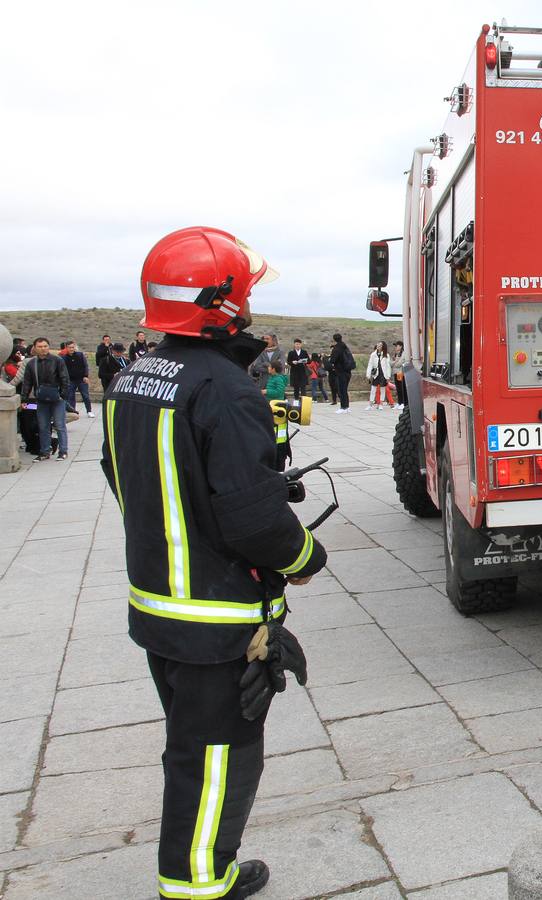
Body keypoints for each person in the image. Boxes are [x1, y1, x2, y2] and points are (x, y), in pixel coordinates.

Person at [104, 226, 326, 900]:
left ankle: (196, 868)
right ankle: (198, 881)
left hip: (158, 605)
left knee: (188, 746)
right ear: (223, 304)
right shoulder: (226, 391)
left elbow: (125, 474)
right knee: (219, 755)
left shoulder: (131, 378)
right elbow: (256, 520)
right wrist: (305, 555)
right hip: (215, 615)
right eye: (246, 291)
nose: (252, 302)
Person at [20, 337, 71, 460]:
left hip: (57, 398)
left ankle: (63, 451)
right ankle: (44, 451)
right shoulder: (31, 363)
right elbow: (27, 382)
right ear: (35, 348)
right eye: (40, 346)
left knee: (60, 425)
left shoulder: (57, 361)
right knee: (43, 426)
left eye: (45, 346)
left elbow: (65, 379)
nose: (43, 349)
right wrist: (24, 400)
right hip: (41, 399)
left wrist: (62, 395)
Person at [63, 340, 94, 417]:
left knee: (85, 396)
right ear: (66, 348)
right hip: (70, 380)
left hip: (81, 379)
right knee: (71, 396)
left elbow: (85, 366)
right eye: (70, 347)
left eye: (73, 347)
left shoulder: (80, 355)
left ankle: (89, 411)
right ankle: (72, 411)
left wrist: (86, 376)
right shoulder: (64, 358)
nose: (71, 349)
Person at [328, 333, 354, 413]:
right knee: (345, 389)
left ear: (334, 339)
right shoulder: (345, 347)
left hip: (340, 371)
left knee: (341, 390)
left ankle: (343, 407)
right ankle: (347, 407)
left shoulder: (336, 348)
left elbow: (332, 360)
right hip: (348, 371)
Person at [365, 342, 393, 410]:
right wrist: (368, 374)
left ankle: (380, 404)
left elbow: (388, 366)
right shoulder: (373, 354)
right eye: (378, 345)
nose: (378, 346)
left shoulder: (386, 355)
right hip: (376, 374)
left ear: (383, 347)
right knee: (373, 389)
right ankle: (370, 404)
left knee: (382, 389)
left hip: (383, 374)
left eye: (380, 345)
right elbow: (370, 364)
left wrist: (388, 376)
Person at [390, 341, 407, 410]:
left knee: (401, 387)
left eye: (396, 346)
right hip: (395, 372)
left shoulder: (404, 353)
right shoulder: (395, 354)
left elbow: (400, 363)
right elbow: (390, 363)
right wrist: (395, 362)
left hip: (400, 373)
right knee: (398, 388)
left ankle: (403, 403)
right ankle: (399, 402)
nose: (395, 347)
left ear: (401, 346)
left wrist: (395, 363)